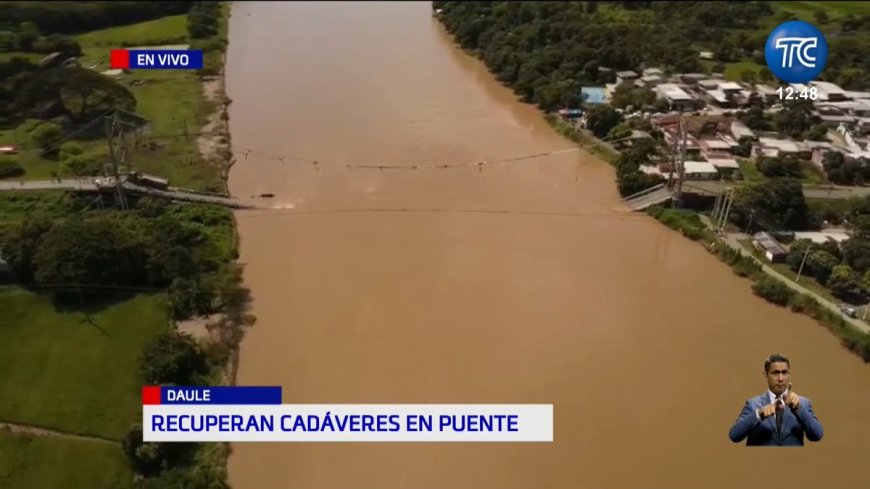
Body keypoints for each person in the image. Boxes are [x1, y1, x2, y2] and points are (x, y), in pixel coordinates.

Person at [728, 353, 823, 446]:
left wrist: (798, 409)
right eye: (776, 373)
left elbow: (817, 435)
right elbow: (734, 436)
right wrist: (759, 414)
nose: (781, 379)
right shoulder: (753, 404)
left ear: (789, 374)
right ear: (765, 375)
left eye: (784, 373)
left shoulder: (803, 403)